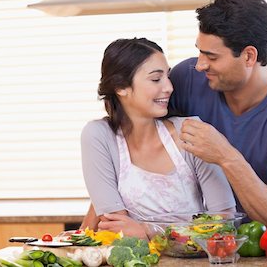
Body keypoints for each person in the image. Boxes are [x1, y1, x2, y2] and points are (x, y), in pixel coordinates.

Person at [169, 0, 267, 225]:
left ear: (249, 56)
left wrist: (225, 155)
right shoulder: (186, 78)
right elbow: (132, 129)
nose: (200, 64)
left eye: (211, 56)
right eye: (200, 51)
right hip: (210, 241)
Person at [80, 38, 236, 237]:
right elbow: (116, 228)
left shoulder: (191, 133)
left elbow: (225, 220)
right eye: (156, 79)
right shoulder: (99, 136)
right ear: (121, 87)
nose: (169, 87)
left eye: (167, 77)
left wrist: (146, 230)